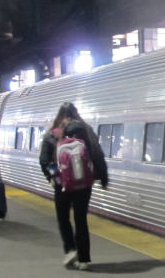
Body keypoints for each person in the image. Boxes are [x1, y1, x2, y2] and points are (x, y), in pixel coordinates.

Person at [39, 102, 108, 270]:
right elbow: (97, 155)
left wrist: (52, 176)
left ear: (59, 115)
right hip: (84, 183)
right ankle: (84, 259)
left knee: (63, 218)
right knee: (80, 219)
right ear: (76, 114)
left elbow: (44, 160)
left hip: (62, 184)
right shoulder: (87, 131)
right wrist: (103, 177)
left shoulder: (52, 134)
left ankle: (70, 249)